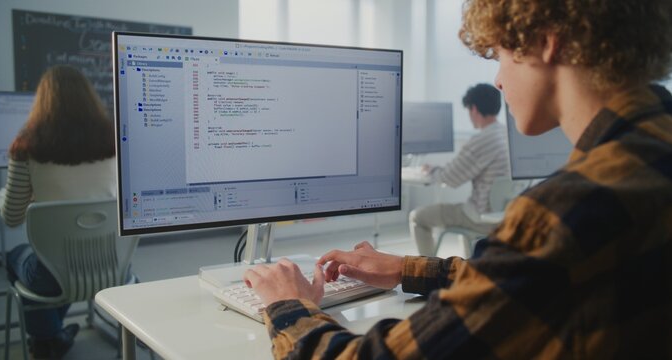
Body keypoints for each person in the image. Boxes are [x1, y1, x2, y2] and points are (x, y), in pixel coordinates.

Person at [243, 0, 672, 358]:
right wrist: (408, 269)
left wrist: (286, 303)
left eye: (501, 55)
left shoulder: (567, 209)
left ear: (544, 41)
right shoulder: (652, 153)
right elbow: (540, 280)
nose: (499, 80)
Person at [1, 65, 116, 359]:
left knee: (15, 257)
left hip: (52, 278)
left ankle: (47, 338)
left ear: (42, 100)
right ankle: (54, 335)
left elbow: (11, 217)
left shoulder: (26, 146)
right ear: (90, 98)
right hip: (112, 268)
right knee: (63, 264)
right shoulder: (114, 140)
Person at [410, 83, 509, 256]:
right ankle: (466, 267)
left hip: (482, 216)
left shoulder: (481, 140)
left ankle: (427, 271)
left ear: (474, 109)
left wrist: (432, 171)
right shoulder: (506, 134)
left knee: (418, 217)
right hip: (504, 214)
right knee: (463, 210)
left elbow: (450, 178)